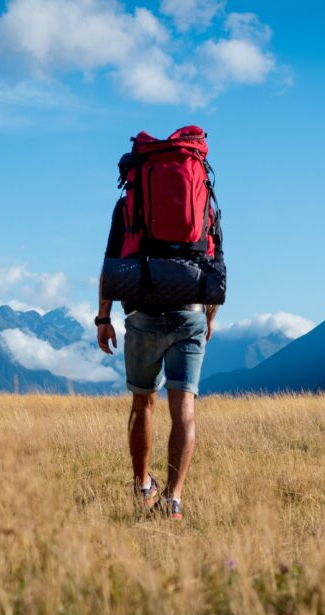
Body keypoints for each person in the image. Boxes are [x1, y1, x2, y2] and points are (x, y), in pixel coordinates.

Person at [96, 198, 218, 521]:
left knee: (142, 403)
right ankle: (173, 499)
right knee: (184, 409)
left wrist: (103, 318)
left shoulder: (128, 202)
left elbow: (110, 263)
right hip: (190, 313)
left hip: (142, 312)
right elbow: (215, 263)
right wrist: (209, 317)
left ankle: (143, 487)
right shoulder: (202, 201)